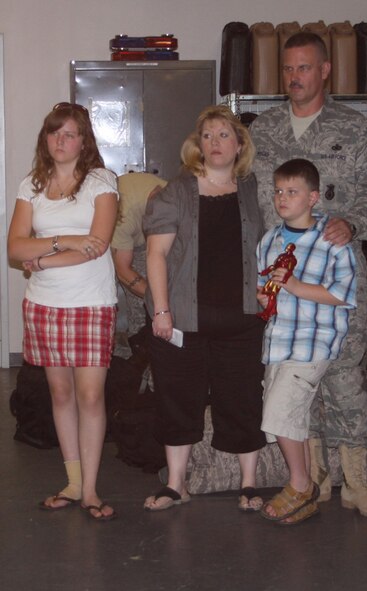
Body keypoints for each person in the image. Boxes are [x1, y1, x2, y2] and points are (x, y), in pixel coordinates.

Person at [250, 32, 367, 518]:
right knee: (293, 381)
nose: (295, 78)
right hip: (283, 284)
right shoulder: (264, 128)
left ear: (325, 70)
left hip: (334, 275)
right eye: (289, 69)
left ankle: (357, 480)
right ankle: (314, 479)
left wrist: (354, 221)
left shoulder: (350, 127)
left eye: (305, 68)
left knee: (344, 377)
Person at [142, 104, 267, 512]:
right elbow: (156, 255)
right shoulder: (174, 192)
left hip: (243, 319)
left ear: (239, 144)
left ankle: (250, 483)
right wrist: (161, 312)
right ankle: (177, 484)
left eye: (224, 135)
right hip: (181, 319)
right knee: (177, 399)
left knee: (243, 400)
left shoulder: (255, 191)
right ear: (197, 145)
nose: (215, 143)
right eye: (208, 136)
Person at [7, 102, 119, 521]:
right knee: (60, 393)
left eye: (70, 133)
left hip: (91, 302)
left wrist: (45, 257)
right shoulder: (30, 186)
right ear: (46, 139)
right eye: (55, 133)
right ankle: (72, 482)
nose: (61, 140)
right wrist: (66, 241)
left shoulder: (100, 182)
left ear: (83, 140)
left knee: (90, 396)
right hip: (44, 304)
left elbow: (98, 246)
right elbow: (15, 248)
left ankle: (90, 490)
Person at [257, 158, 356, 525]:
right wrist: (263, 296)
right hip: (278, 341)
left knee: (279, 414)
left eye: (293, 192)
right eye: (279, 191)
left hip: (313, 343)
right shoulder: (270, 240)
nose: (283, 198)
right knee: (280, 416)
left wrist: (295, 286)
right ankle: (306, 489)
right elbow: (264, 286)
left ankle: (301, 484)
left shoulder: (332, 242)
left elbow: (342, 295)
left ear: (313, 197)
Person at [111, 172, 166, 342]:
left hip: (142, 237)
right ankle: (137, 351)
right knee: (140, 304)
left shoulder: (176, 196)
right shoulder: (124, 215)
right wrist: (159, 300)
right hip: (105, 240)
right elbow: (123, 270)